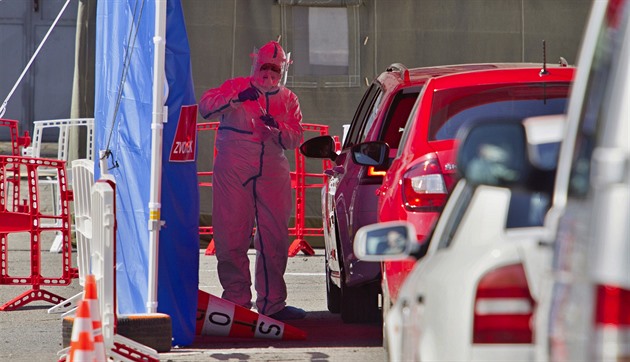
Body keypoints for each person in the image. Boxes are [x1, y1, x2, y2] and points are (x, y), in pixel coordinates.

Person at [198, 41, 306, 320]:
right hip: (234, 167)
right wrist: (234, 98)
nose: (269, 74)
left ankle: (273, 304)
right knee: (231, 234)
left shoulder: (289, 99)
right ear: (255, 64)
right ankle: (236, 300)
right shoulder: (235, 86)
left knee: (275, 239)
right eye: (264, 68)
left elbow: (296, 136)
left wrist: (277, 128)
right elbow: (206, 106)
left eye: (274, 69)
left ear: (282, 70)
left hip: (272, 168)